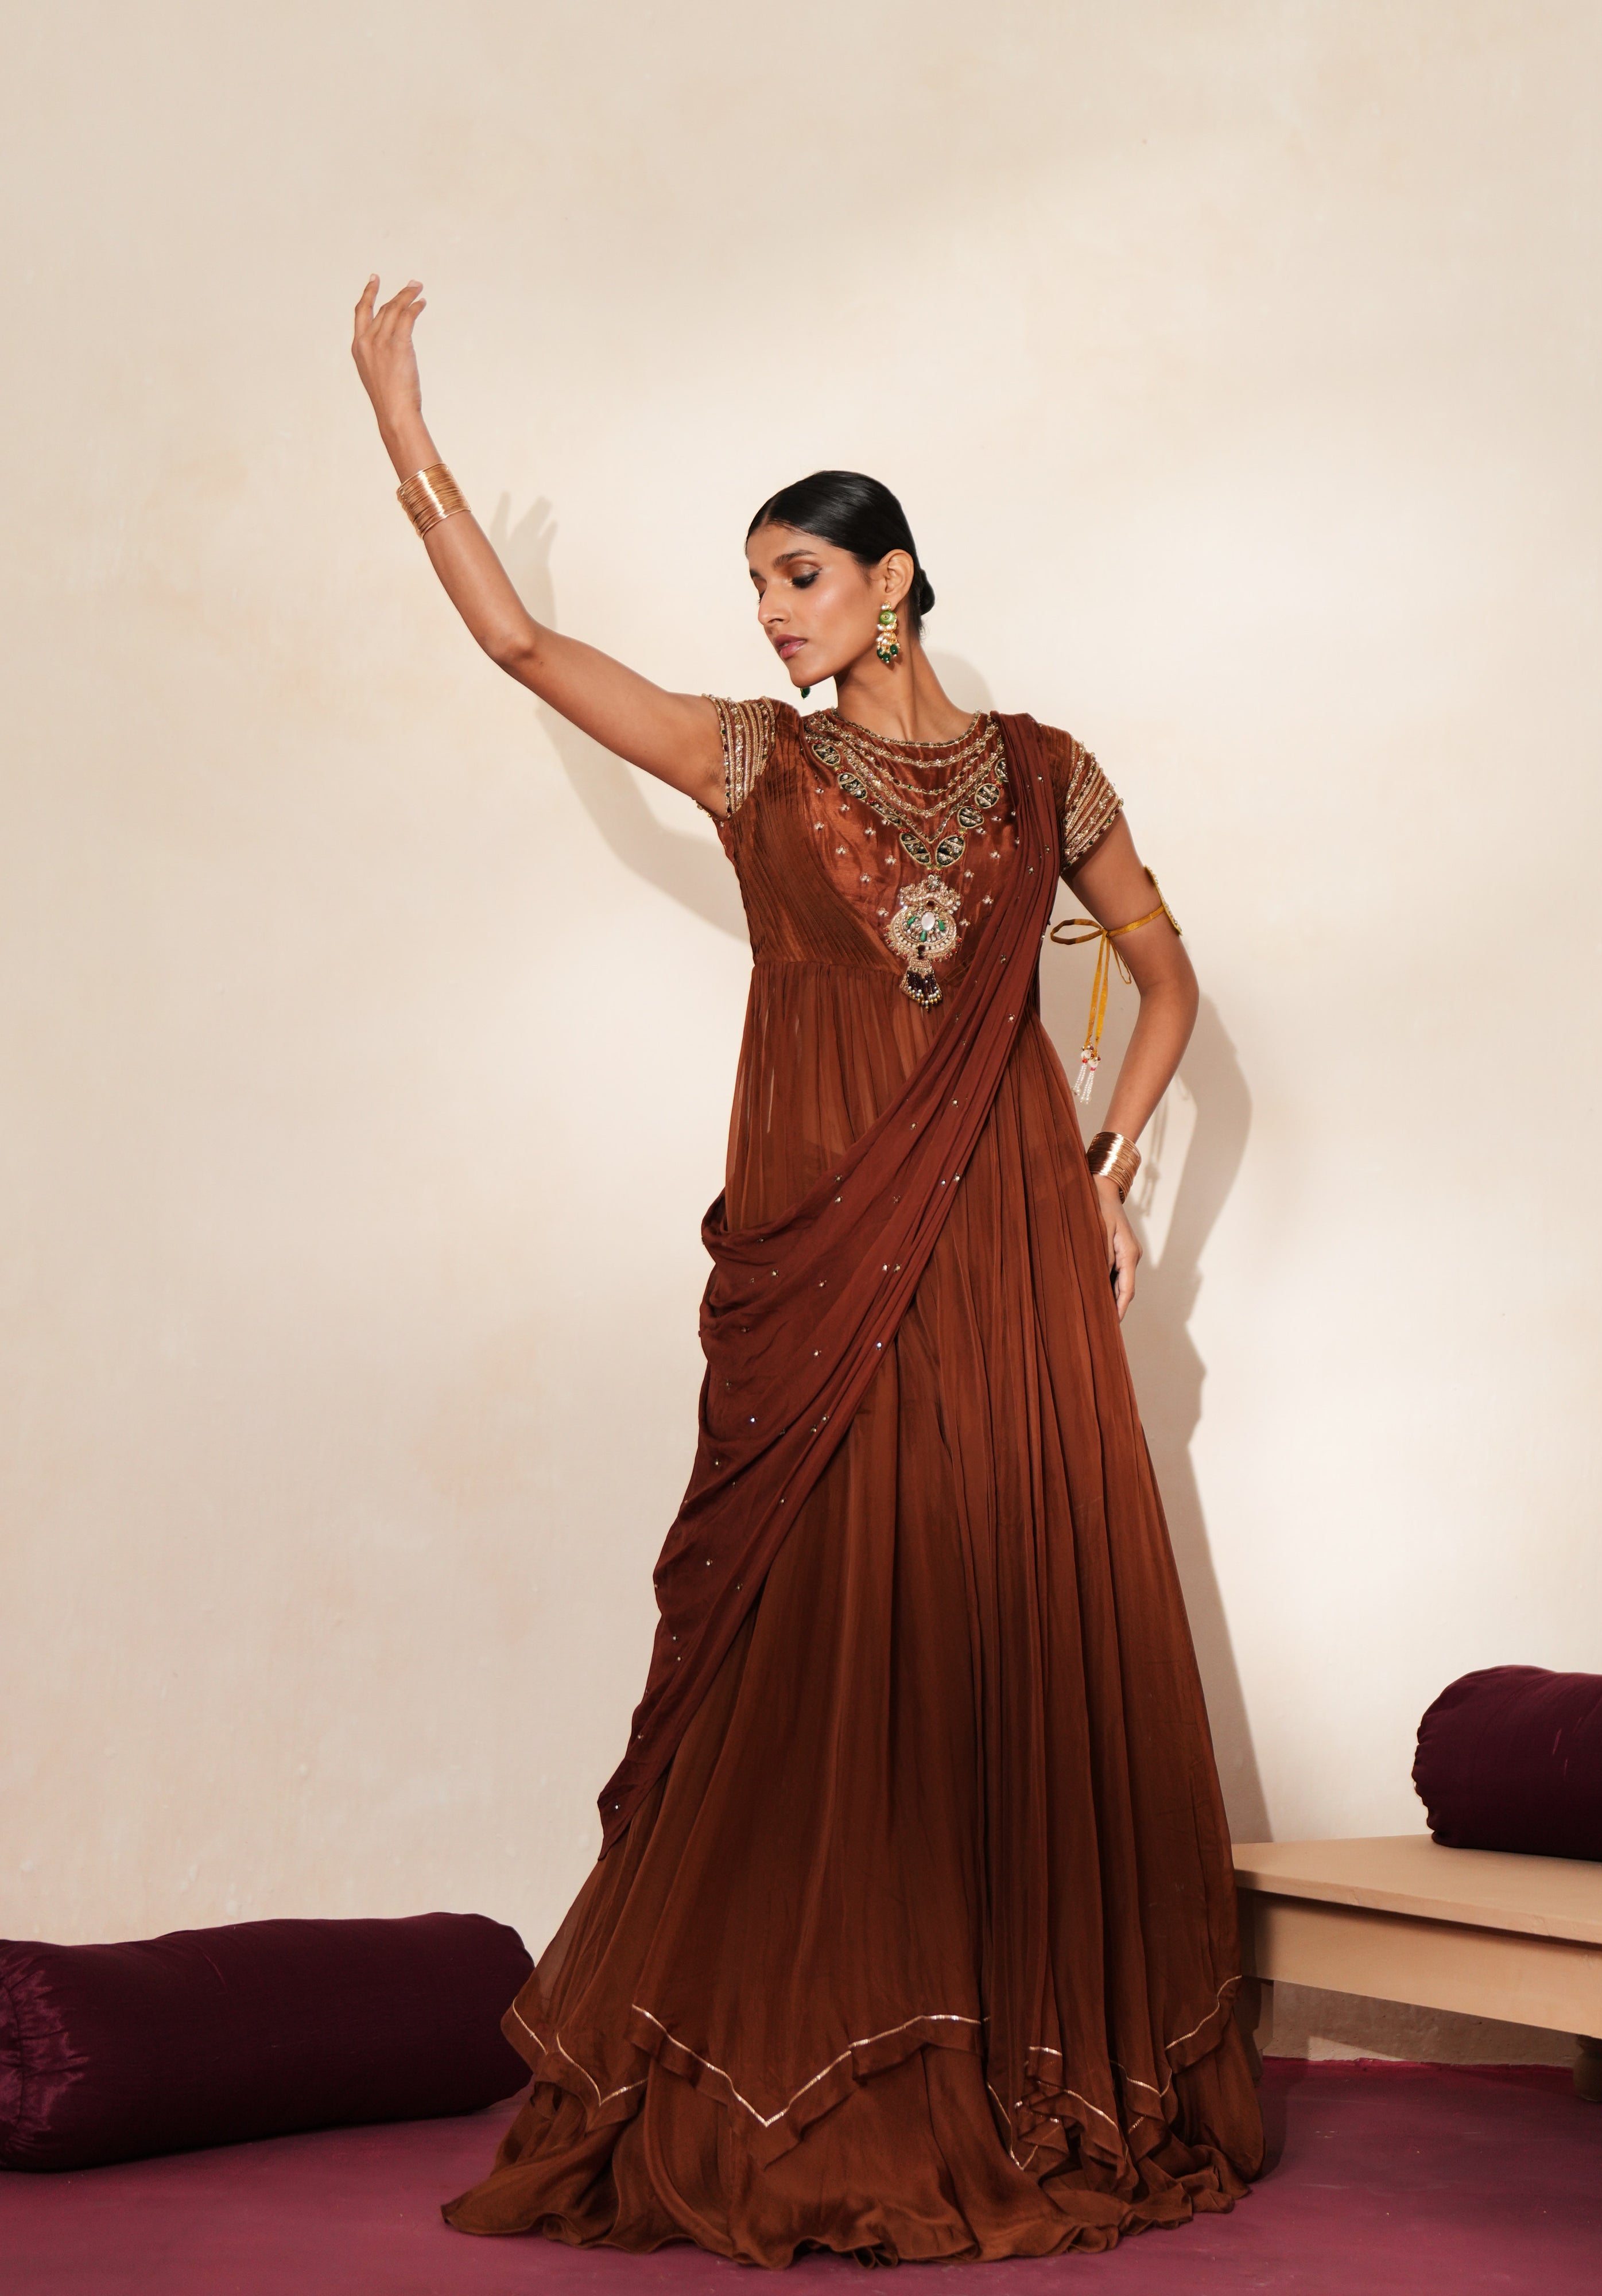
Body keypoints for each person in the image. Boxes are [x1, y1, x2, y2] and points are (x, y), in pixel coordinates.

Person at [352, 276, 1263, 2266]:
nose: (770, 613)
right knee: (833, 1622)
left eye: (799, 575)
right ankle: (829, 2053)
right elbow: (518, 643)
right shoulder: (757, 764)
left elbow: (1165, 970)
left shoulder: (1046, 770)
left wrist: (1112, 1149)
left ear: (894, 578)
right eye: (756, 585)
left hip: (1013, 1236)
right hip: (827, 1251)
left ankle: (1038, 2060)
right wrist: (408, 445)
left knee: (1008, 1603)